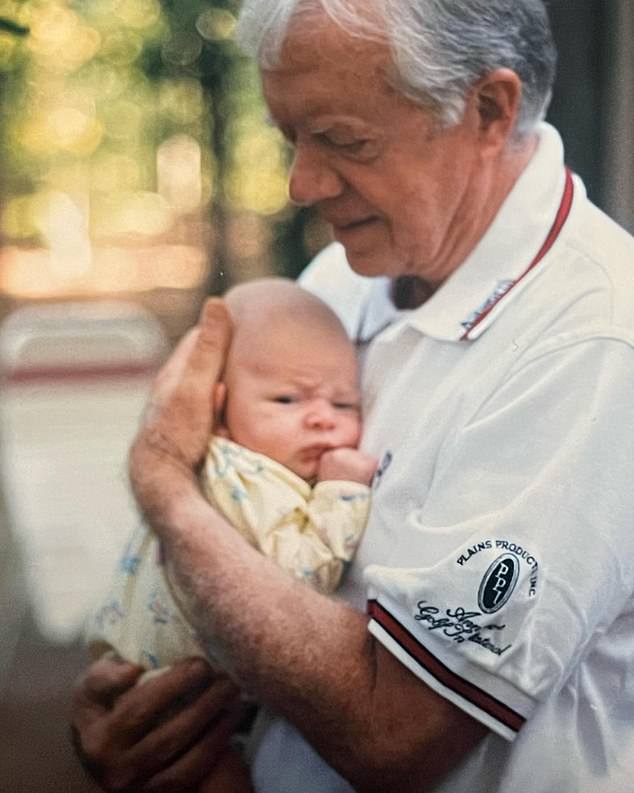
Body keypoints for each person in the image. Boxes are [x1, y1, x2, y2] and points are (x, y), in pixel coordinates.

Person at [70, 1, 634, 791]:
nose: (302, 182)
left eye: (344, 139)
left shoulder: (595, 340)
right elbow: (262, 556)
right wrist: (153, 717)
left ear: (488, 110)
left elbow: (393, 730)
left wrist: (164, 482)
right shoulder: (344, 275)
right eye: (289, 137)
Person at [87, 278, 375, 671]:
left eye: (343, 403)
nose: (322, 418)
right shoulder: (244, 480)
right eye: (287, 399)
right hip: (168, 689)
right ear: (217, 409)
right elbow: (299, 588)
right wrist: (341, 493)